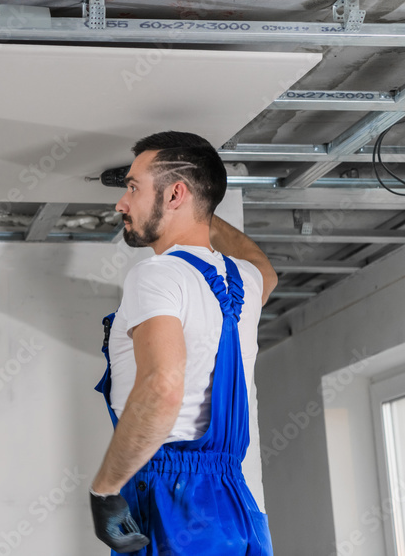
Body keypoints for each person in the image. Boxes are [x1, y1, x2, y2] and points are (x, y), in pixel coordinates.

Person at [89, 131, 277, 555]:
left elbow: (162, 387)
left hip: (172, 496)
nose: (122, 203)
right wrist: (202, 208)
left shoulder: (156, 275)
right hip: (237, 502)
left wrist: (105, 491)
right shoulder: (243, 279)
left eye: (133, 187)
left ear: (175, 194)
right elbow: (267, 271)